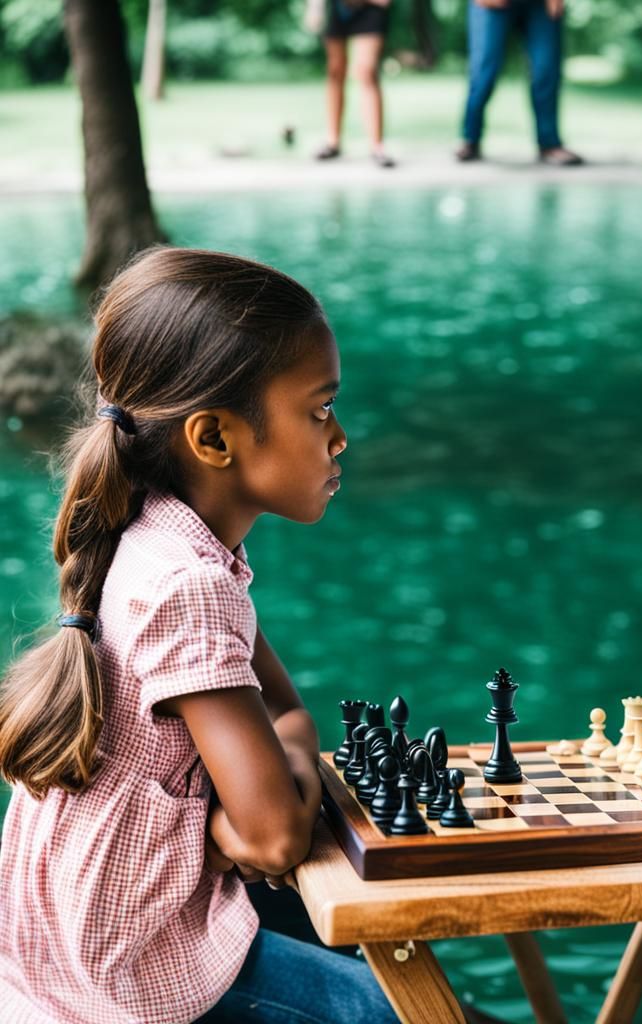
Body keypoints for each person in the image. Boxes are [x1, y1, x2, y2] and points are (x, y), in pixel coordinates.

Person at [0, 248, 398, 1024]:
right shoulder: (188, 584)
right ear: (214, 439)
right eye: (319, 410)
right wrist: (233, 822)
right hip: (120, 963)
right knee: (384, 1012)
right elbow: (278, 833)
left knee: (370, 939)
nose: (340, 436)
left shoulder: (161, 535)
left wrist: (241, 815)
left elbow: (285, 743)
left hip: (73, 927)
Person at [456, 0, 583, 166]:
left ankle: (549, 143)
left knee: (546, 69)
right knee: (484, 72)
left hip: (539, 5)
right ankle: (470, 139)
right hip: (491, 6)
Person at [305, 0, 395, 168]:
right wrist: (314, 6)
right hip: (337, 7)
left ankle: (377, 146)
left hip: (371, 7)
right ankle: (333, 142)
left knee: (367, 71)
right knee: (335, 70)